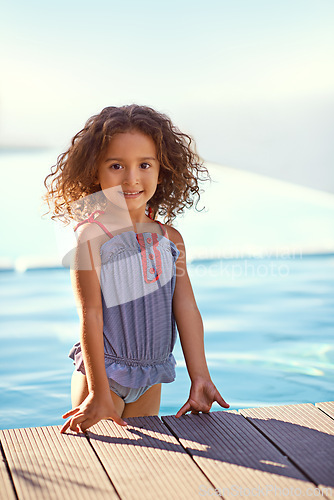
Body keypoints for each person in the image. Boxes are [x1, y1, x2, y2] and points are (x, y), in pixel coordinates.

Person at [43, 104, 229, 434]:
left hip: (150, 376)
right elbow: (91, 313)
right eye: (116, 165)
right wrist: (100, 393)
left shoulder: (170, 239)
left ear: (163, 170)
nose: (131, 178)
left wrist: (200, 375)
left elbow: (185, 307)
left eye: (144, 164)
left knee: (142, 466)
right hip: (103, 378)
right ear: (94, 172)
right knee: (100, 463)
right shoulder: (93, 236)